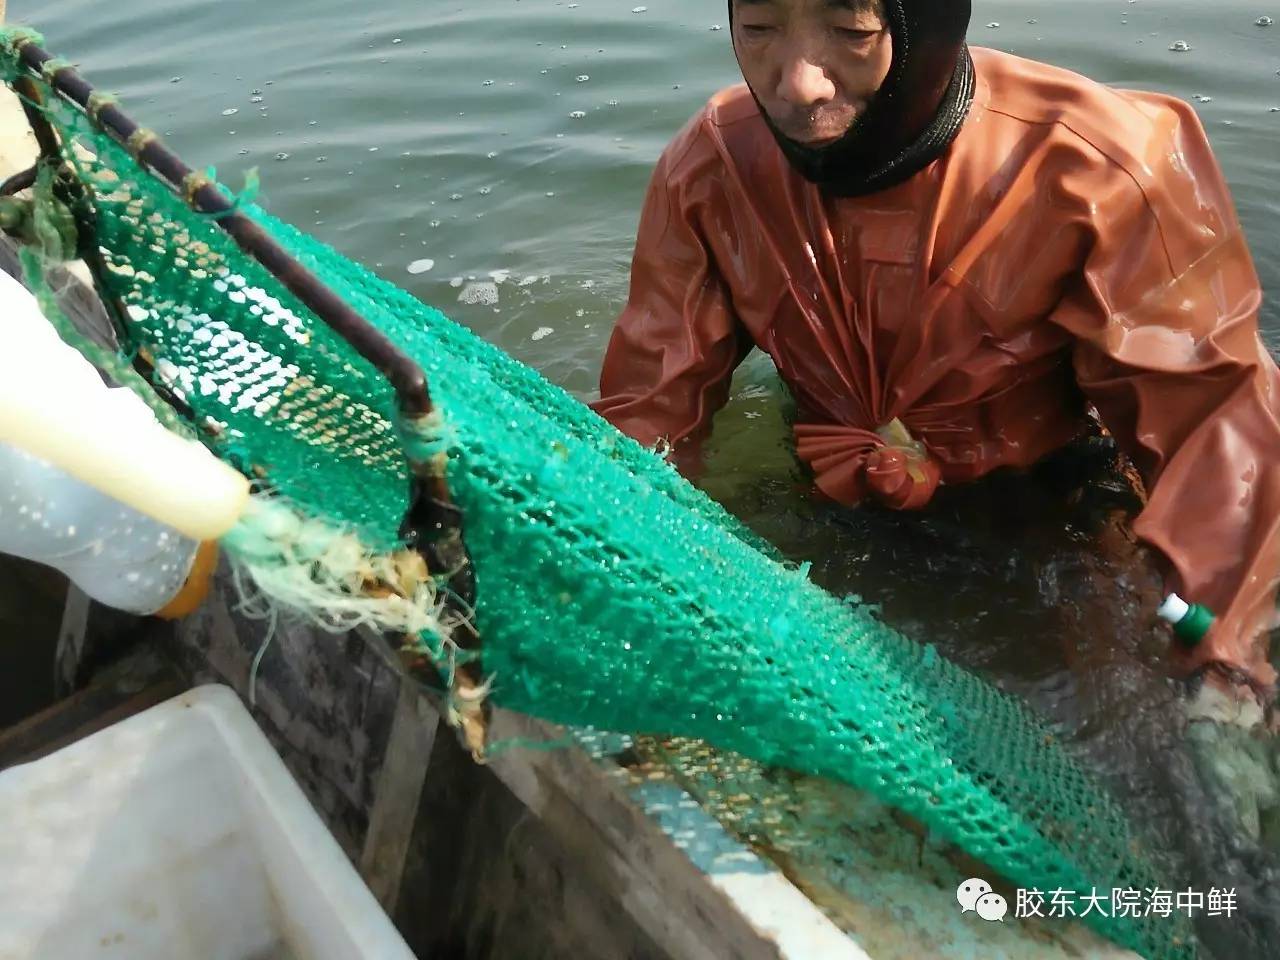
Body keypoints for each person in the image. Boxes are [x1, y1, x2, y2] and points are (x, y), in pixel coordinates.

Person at [592, 0, 1280, 730]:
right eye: (758, 30)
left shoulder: (1102, 166)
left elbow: (1214, 421)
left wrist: (1224, 647)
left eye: (852, 33)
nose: (797, 85)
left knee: (1141, 731)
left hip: (1048, 506)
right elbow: (647, 415)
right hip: (831, 491)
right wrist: (603, 556)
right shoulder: (710, 165)